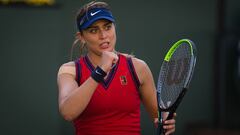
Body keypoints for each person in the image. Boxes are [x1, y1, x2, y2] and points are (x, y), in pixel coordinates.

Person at [57, 1, 176, 135]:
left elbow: (160, 119)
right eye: (93, 30)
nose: (103, 36)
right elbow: (67, 112)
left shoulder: (138, 67)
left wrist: (167, 124)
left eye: (107, 27)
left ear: (114, 27)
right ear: (82, 37)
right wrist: (100, 71)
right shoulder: (69, 70)